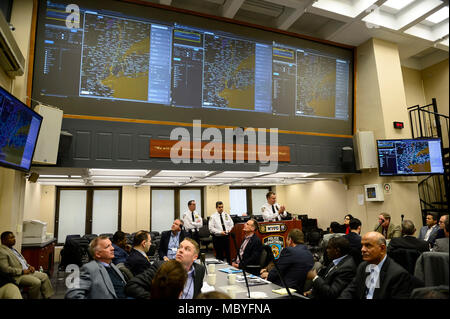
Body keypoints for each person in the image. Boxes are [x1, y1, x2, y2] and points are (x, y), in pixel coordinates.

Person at [338, 232, 412, 299]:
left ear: (382, 249)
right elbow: (350, 291)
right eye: (362, 245)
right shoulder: (363, 266)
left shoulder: (398, 275)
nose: (362, 249)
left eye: (368, 245)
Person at [125, 238, 205, 299]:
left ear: (195, 257)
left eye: (187, 249)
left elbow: (197, 292)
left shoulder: (199, 270)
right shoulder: (161, 267)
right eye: (180, 247)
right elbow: (131, 285)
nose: (180, 251)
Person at [0, 231, 54, 299]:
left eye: (14, 237)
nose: (14, 239)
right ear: (3, 240)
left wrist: (29, 266)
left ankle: (48, 297)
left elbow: (21, 261)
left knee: (44, 276)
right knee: (36, 282)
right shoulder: (1, 251)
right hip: (17, 276)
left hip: (27, 271)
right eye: (11, 238)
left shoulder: (12, 249)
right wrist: (22, 271)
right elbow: (5, 269)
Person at [261, 229, 314, 293]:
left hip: (284, 289)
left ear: (290, 240)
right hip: (299, 290)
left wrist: (268, 275)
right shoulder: (309, 254)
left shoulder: (289, 250)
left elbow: (277, 271)